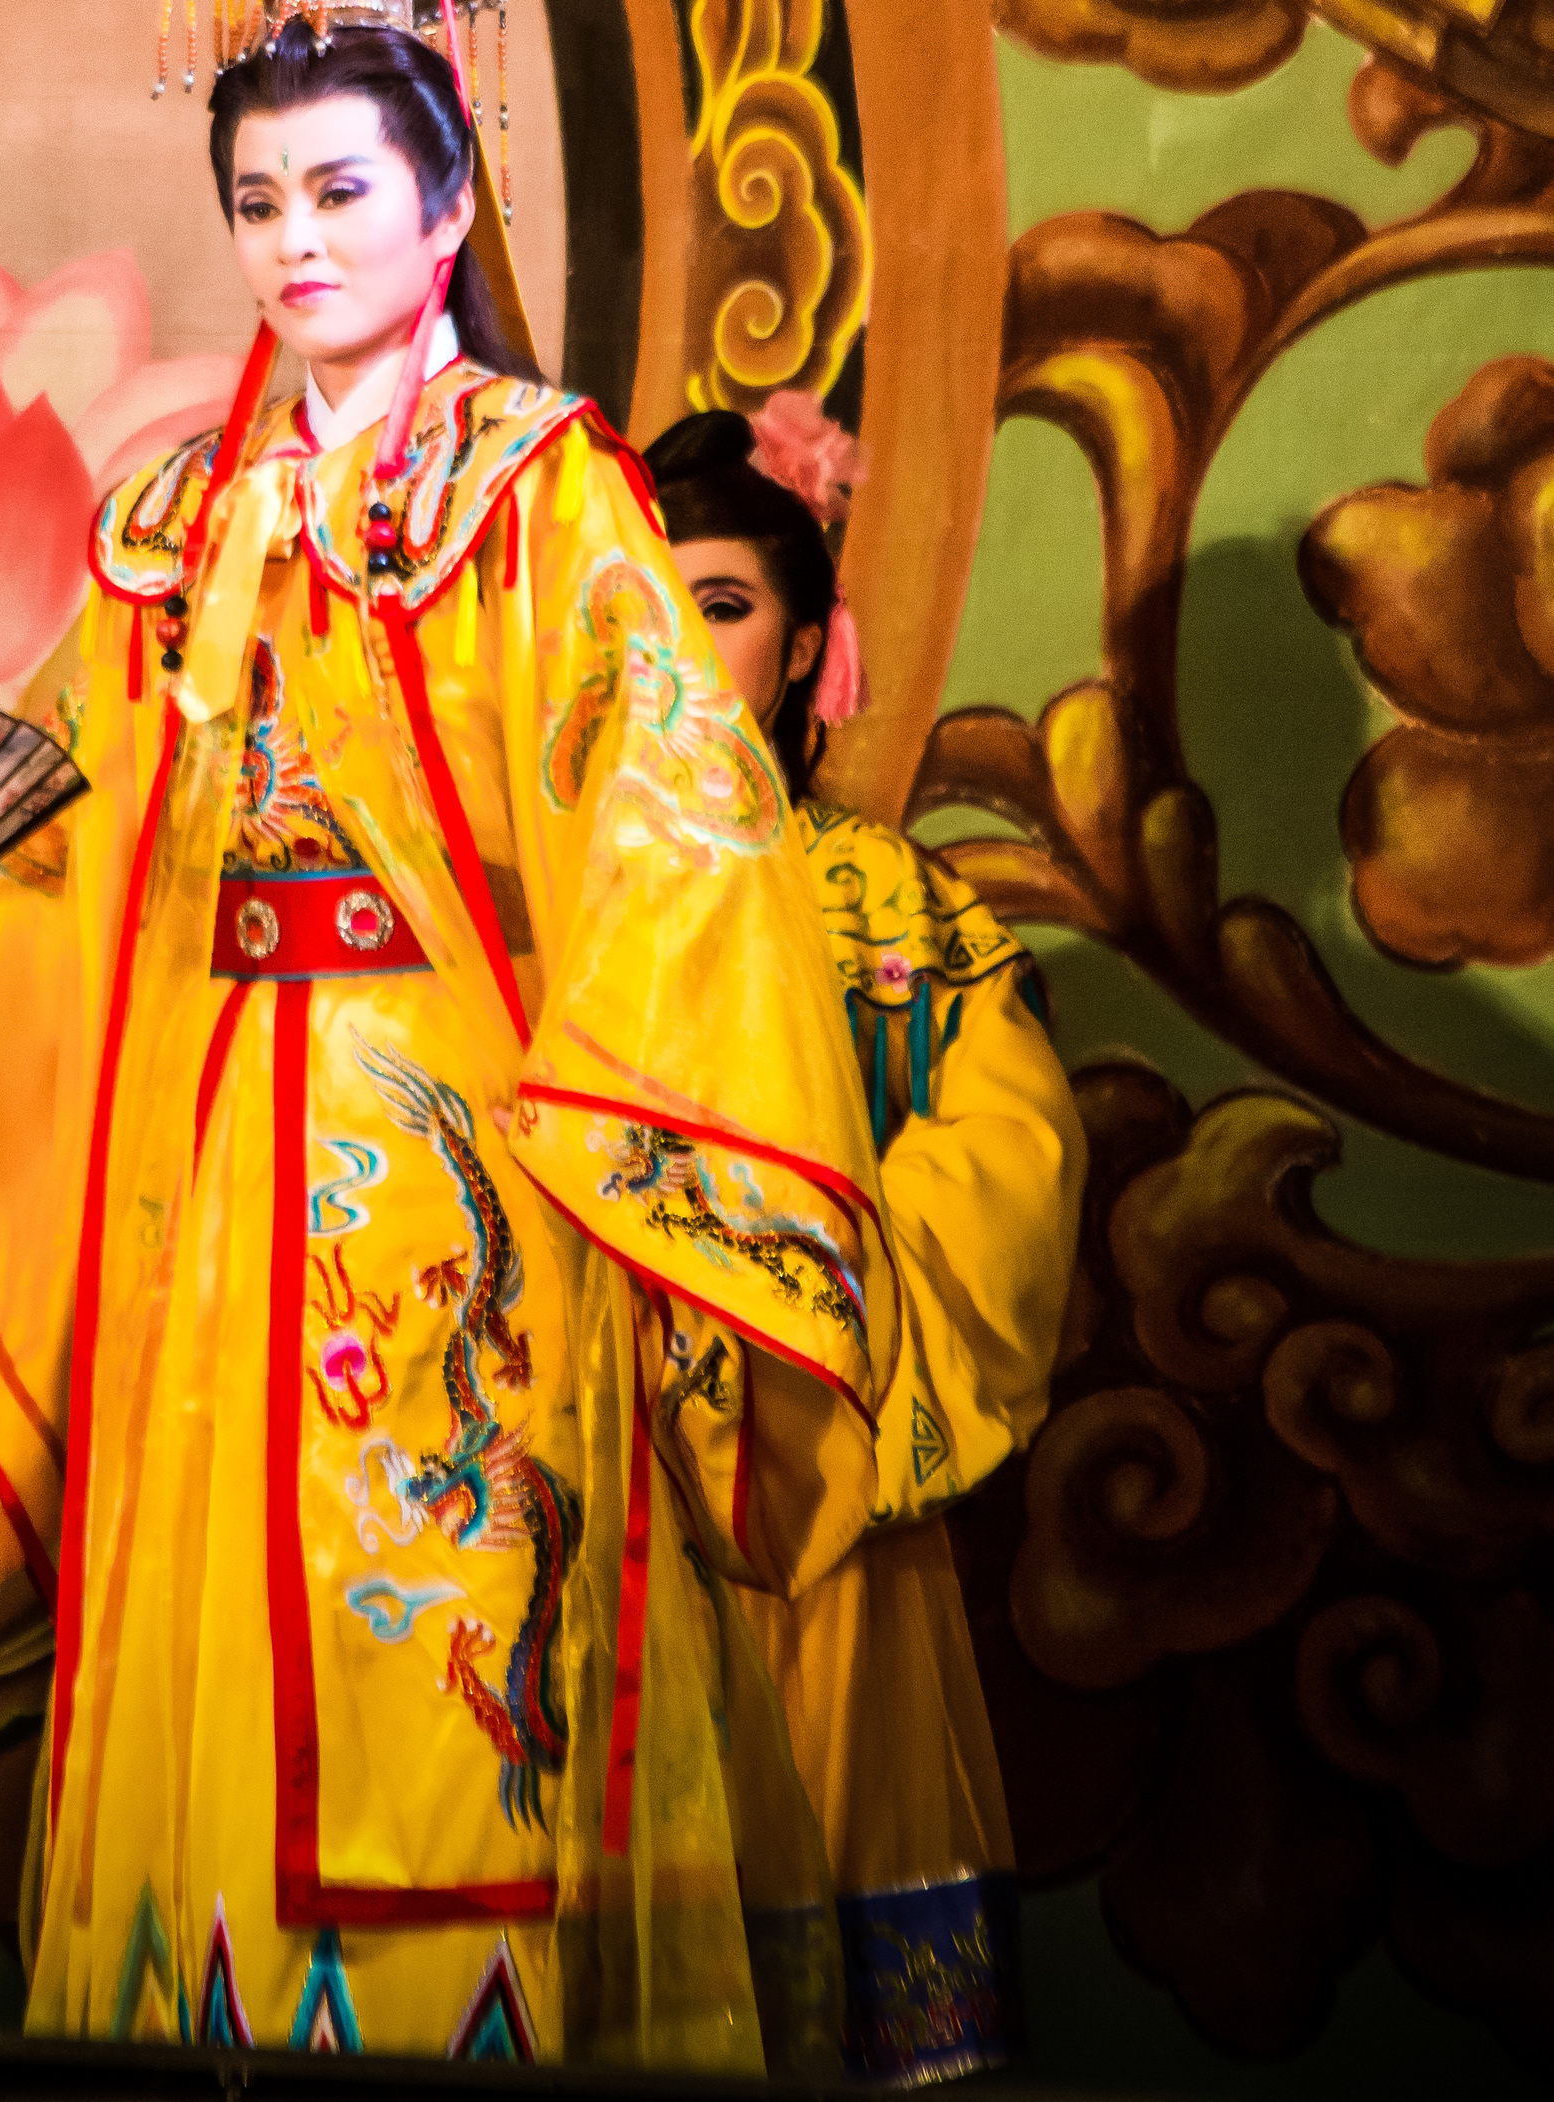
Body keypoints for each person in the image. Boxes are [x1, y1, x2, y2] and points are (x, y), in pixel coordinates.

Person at [0, 0, 905, 2072]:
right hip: (205, 1191)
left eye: (342, 191)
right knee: (207, 1656)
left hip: (460, 1163)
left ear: (448, 203)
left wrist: (609, 1122)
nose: (293, 243)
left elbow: (675, 832)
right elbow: (50, 851)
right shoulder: (172, 524)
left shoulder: (544, 495)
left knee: (447, 1669)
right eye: (256, 200)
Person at [643, 396, 1087, 2083]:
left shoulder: (889, 902)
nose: (680, 648)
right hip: (604, 1487)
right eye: (644, 607)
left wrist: (801, 1310)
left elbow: (1009, 1160)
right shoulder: (534, 901)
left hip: (823, 1471)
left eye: (724, 605)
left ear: (807, 642)